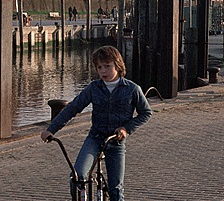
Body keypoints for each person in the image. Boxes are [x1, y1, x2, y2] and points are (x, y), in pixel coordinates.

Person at [40, 46, 152, 201]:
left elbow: (146, 113)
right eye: (99, 67)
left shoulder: (132, 89)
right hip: (95, 138)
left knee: (116, 190)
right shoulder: (94, 88)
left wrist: (126, 129)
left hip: (116, 142)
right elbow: (72, 108)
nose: (103, 71)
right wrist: (51, 130)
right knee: (77, 177)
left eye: (107, 66)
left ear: (118, 66)